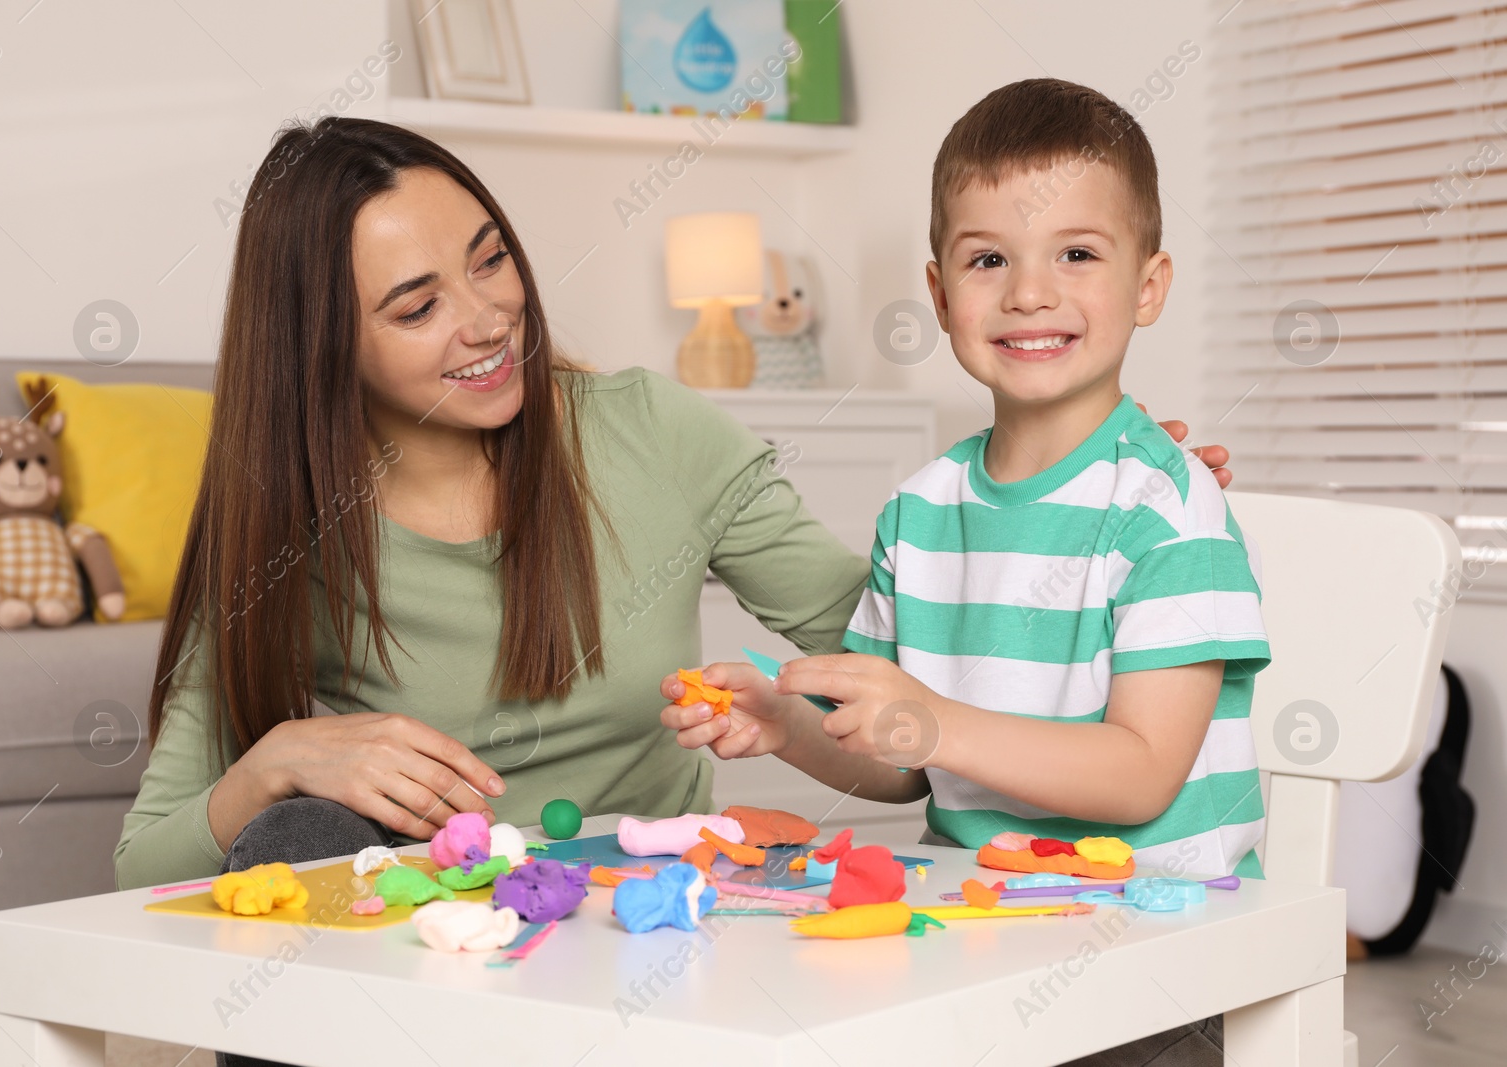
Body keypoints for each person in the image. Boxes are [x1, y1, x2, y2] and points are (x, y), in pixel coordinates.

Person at [113, 114, 1229, 1067]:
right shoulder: (284, 526)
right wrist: (282, 754)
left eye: (490, 259)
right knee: (292, 832)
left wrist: (1067, 500)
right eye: (415, 305)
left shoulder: (646, 433)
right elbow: (145, 861)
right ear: (323, 345)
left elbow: (902, 678)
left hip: (639, 935)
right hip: (425, 971)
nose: (488, 316)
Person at [661, 78, 1269, 1066]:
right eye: (989, 258)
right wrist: (785, 724)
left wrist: (938, 719)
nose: (1028, 291)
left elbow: (1141, 773)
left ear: (1148, 286)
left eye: (1076, 253)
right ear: (941, 292)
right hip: (973, 921)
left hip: (1152, 947)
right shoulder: (920, 510)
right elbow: (902, 766)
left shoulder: (1167, 506)